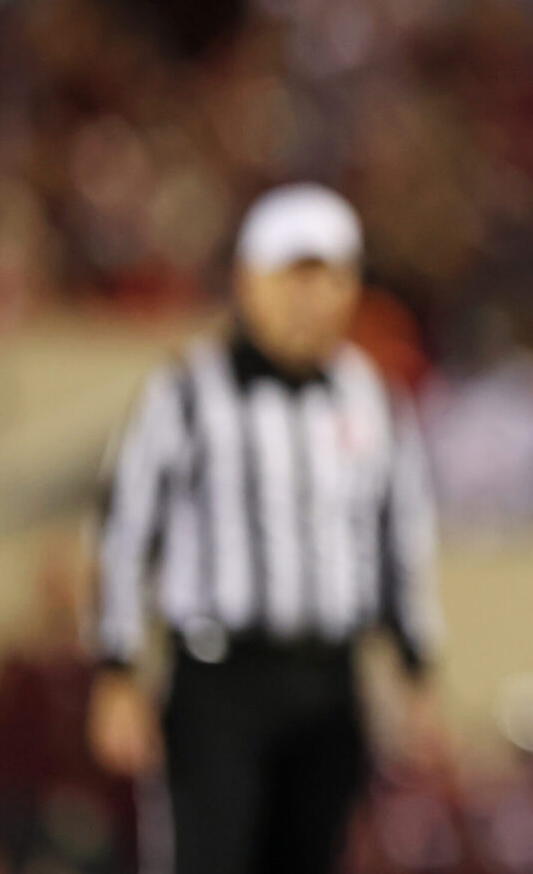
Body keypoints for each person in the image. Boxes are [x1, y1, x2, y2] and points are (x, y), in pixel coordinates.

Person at [87, 183, 443, 874]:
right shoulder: (187, 392)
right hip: (220, 679)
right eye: (292, 277)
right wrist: (117, 668)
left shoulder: (371, 396)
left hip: (331, 678)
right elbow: (125, 530)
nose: (309, 299)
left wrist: (416, 667)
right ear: (247, 281)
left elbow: (400, 537)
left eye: (327, 278)